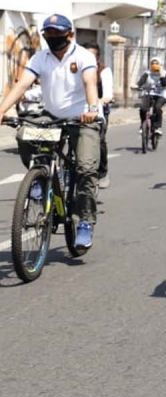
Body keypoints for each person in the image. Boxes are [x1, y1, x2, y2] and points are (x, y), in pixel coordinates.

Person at [0, 14, 102, 249]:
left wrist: (92, 108)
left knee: (86, 168)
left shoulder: (83, 56)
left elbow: (90, 83)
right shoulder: (40, 58)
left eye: (59, 33)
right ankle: (40, 177)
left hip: (83, 116)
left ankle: (85, 221)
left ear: (70, 35)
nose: (54, 38)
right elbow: (22, 84)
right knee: (23, 132)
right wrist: (2, 109)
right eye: (50, 34)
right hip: (52, 114)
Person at [84, 43, 114, 189]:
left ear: (97, 58)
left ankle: (102, 172)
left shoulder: (103, 71)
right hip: (77, 111)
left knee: (99, 140)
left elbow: (108, 94)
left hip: (98, 111)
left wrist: (98, 103)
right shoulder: (75, 68)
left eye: (92, 56)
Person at [137, 57, 166, 136]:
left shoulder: (164, 73)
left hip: (161, 95)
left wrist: (161, 74)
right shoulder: (147, 73)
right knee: (143, 108)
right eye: (152, 64)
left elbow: (165, 83)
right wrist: (137, 86)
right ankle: (142, 125)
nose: (154, 65)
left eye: (156, 63)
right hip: (149, 93)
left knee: (157, 107)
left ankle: (157, 127)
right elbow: (140, 82)